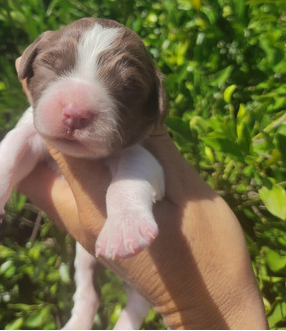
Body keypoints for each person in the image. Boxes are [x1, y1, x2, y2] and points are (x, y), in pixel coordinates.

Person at [17, 80, 268, 329]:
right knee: (84, 262)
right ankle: (85, 308)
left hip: (146, 199)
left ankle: (118, 314)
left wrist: (199, 309)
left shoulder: (132, 138)